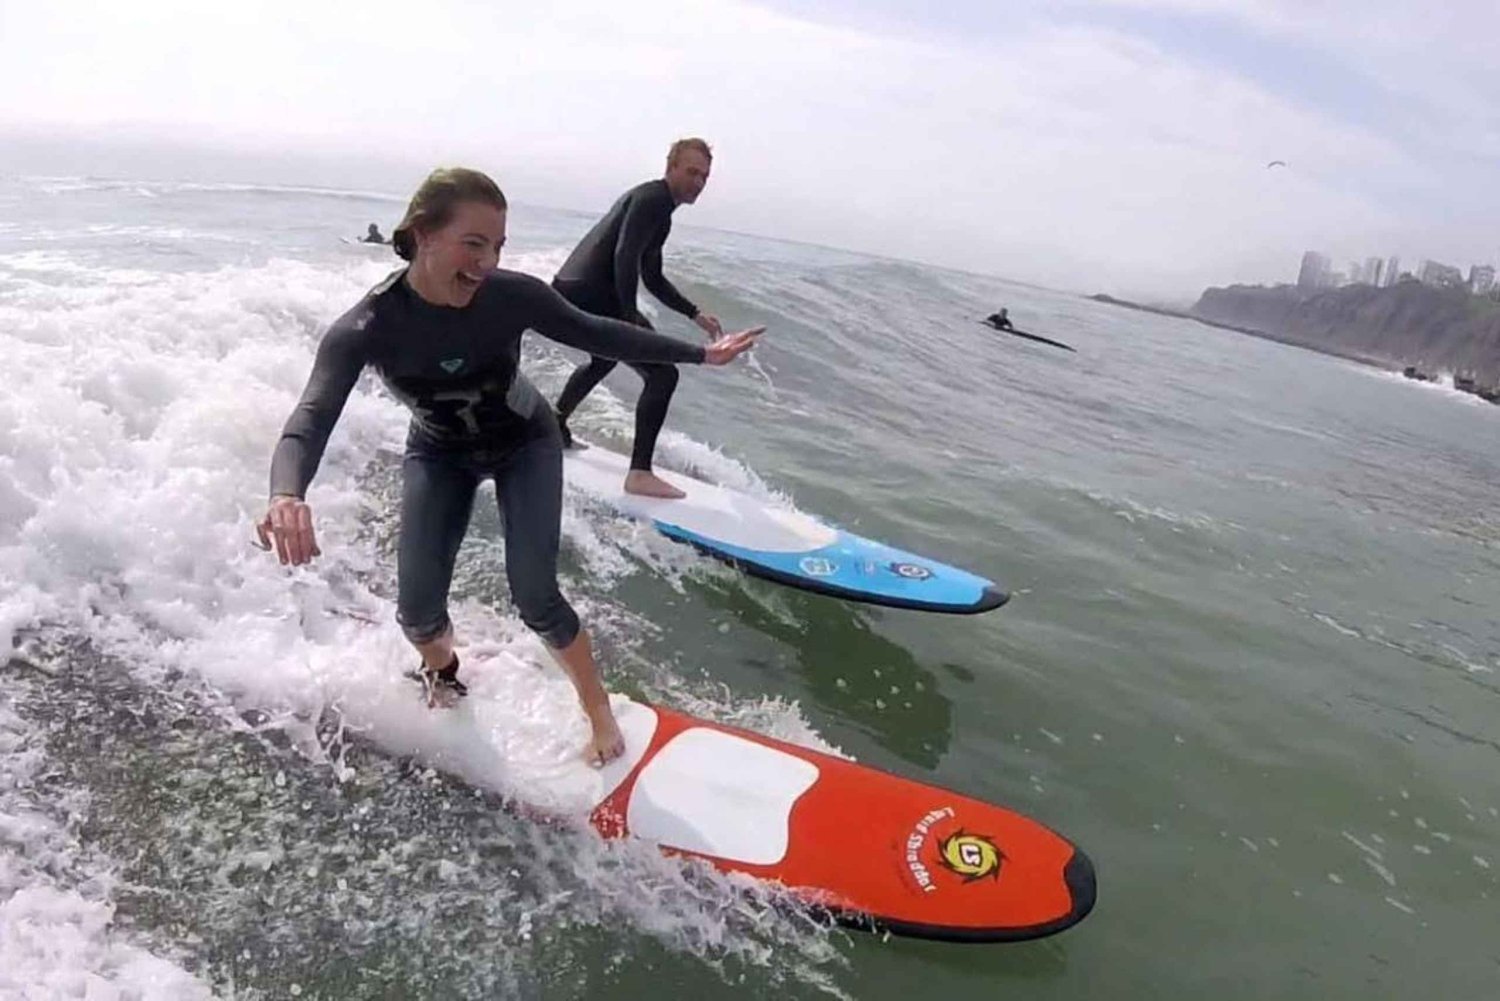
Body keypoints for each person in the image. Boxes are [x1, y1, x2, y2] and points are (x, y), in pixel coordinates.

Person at [257, 167, 762, 766]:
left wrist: (699, 353)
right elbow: (312, 413)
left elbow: (600, 331)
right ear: (422, 234)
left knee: (536, 596)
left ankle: (598, 712)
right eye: (473, 243)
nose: (486, 262)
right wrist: (287, 493)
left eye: (497, 246)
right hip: (440, 452)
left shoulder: (510, 297)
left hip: (526, 442)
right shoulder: (365, 328)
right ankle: (444, 672)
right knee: (417, 617)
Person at [551, 138, 730, 499]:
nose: (698, 182)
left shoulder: (659, 212)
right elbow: (624, 255)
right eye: (692, 172)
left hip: (574, 289)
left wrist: (695, 314)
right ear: (671, 168)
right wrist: (628, 319)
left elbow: (653, 277)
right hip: (590, 291)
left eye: (705, 177)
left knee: (604, 359)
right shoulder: (652, 200)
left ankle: (555, 423)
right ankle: (639, 474)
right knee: (663, 373)